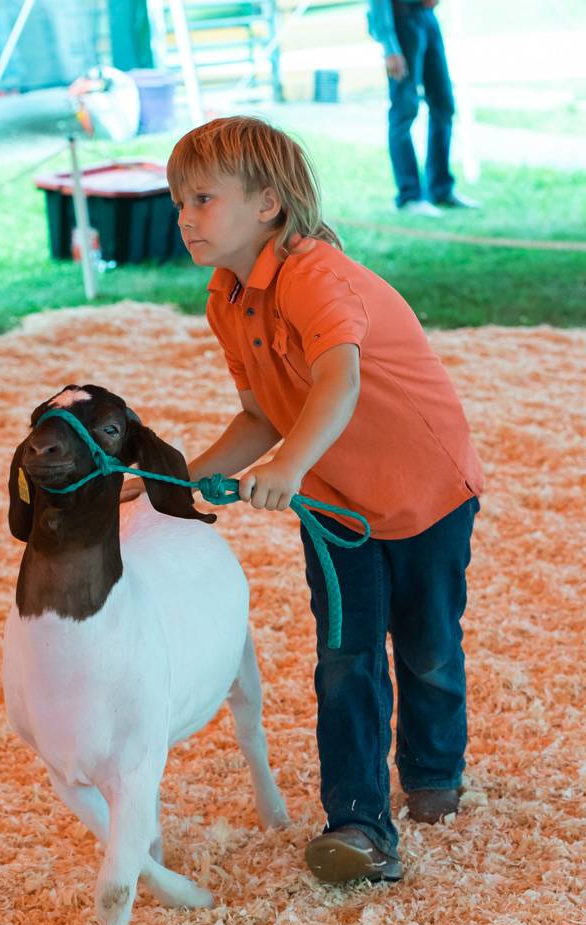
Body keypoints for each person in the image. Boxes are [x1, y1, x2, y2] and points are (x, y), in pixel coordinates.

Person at [136, 115, 483, 884]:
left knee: (426, 646)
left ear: (267, 203)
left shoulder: (314, 274)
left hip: (424, 488)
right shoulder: (225, 297)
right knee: (345, 657)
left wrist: (288, 464)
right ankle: (359, 826)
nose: (184, 217)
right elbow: (262, 410)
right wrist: (179, 478)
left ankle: (433, 770)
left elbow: (339, 380)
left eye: (201, 198)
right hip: (333, 502)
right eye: (178, 201)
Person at [366, 0, 479, 214]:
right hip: (401, 21)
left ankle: (441, 189)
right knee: (404, 110)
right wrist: (390, 46)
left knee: (444, 104)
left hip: (427, 16)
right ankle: (410, 196)